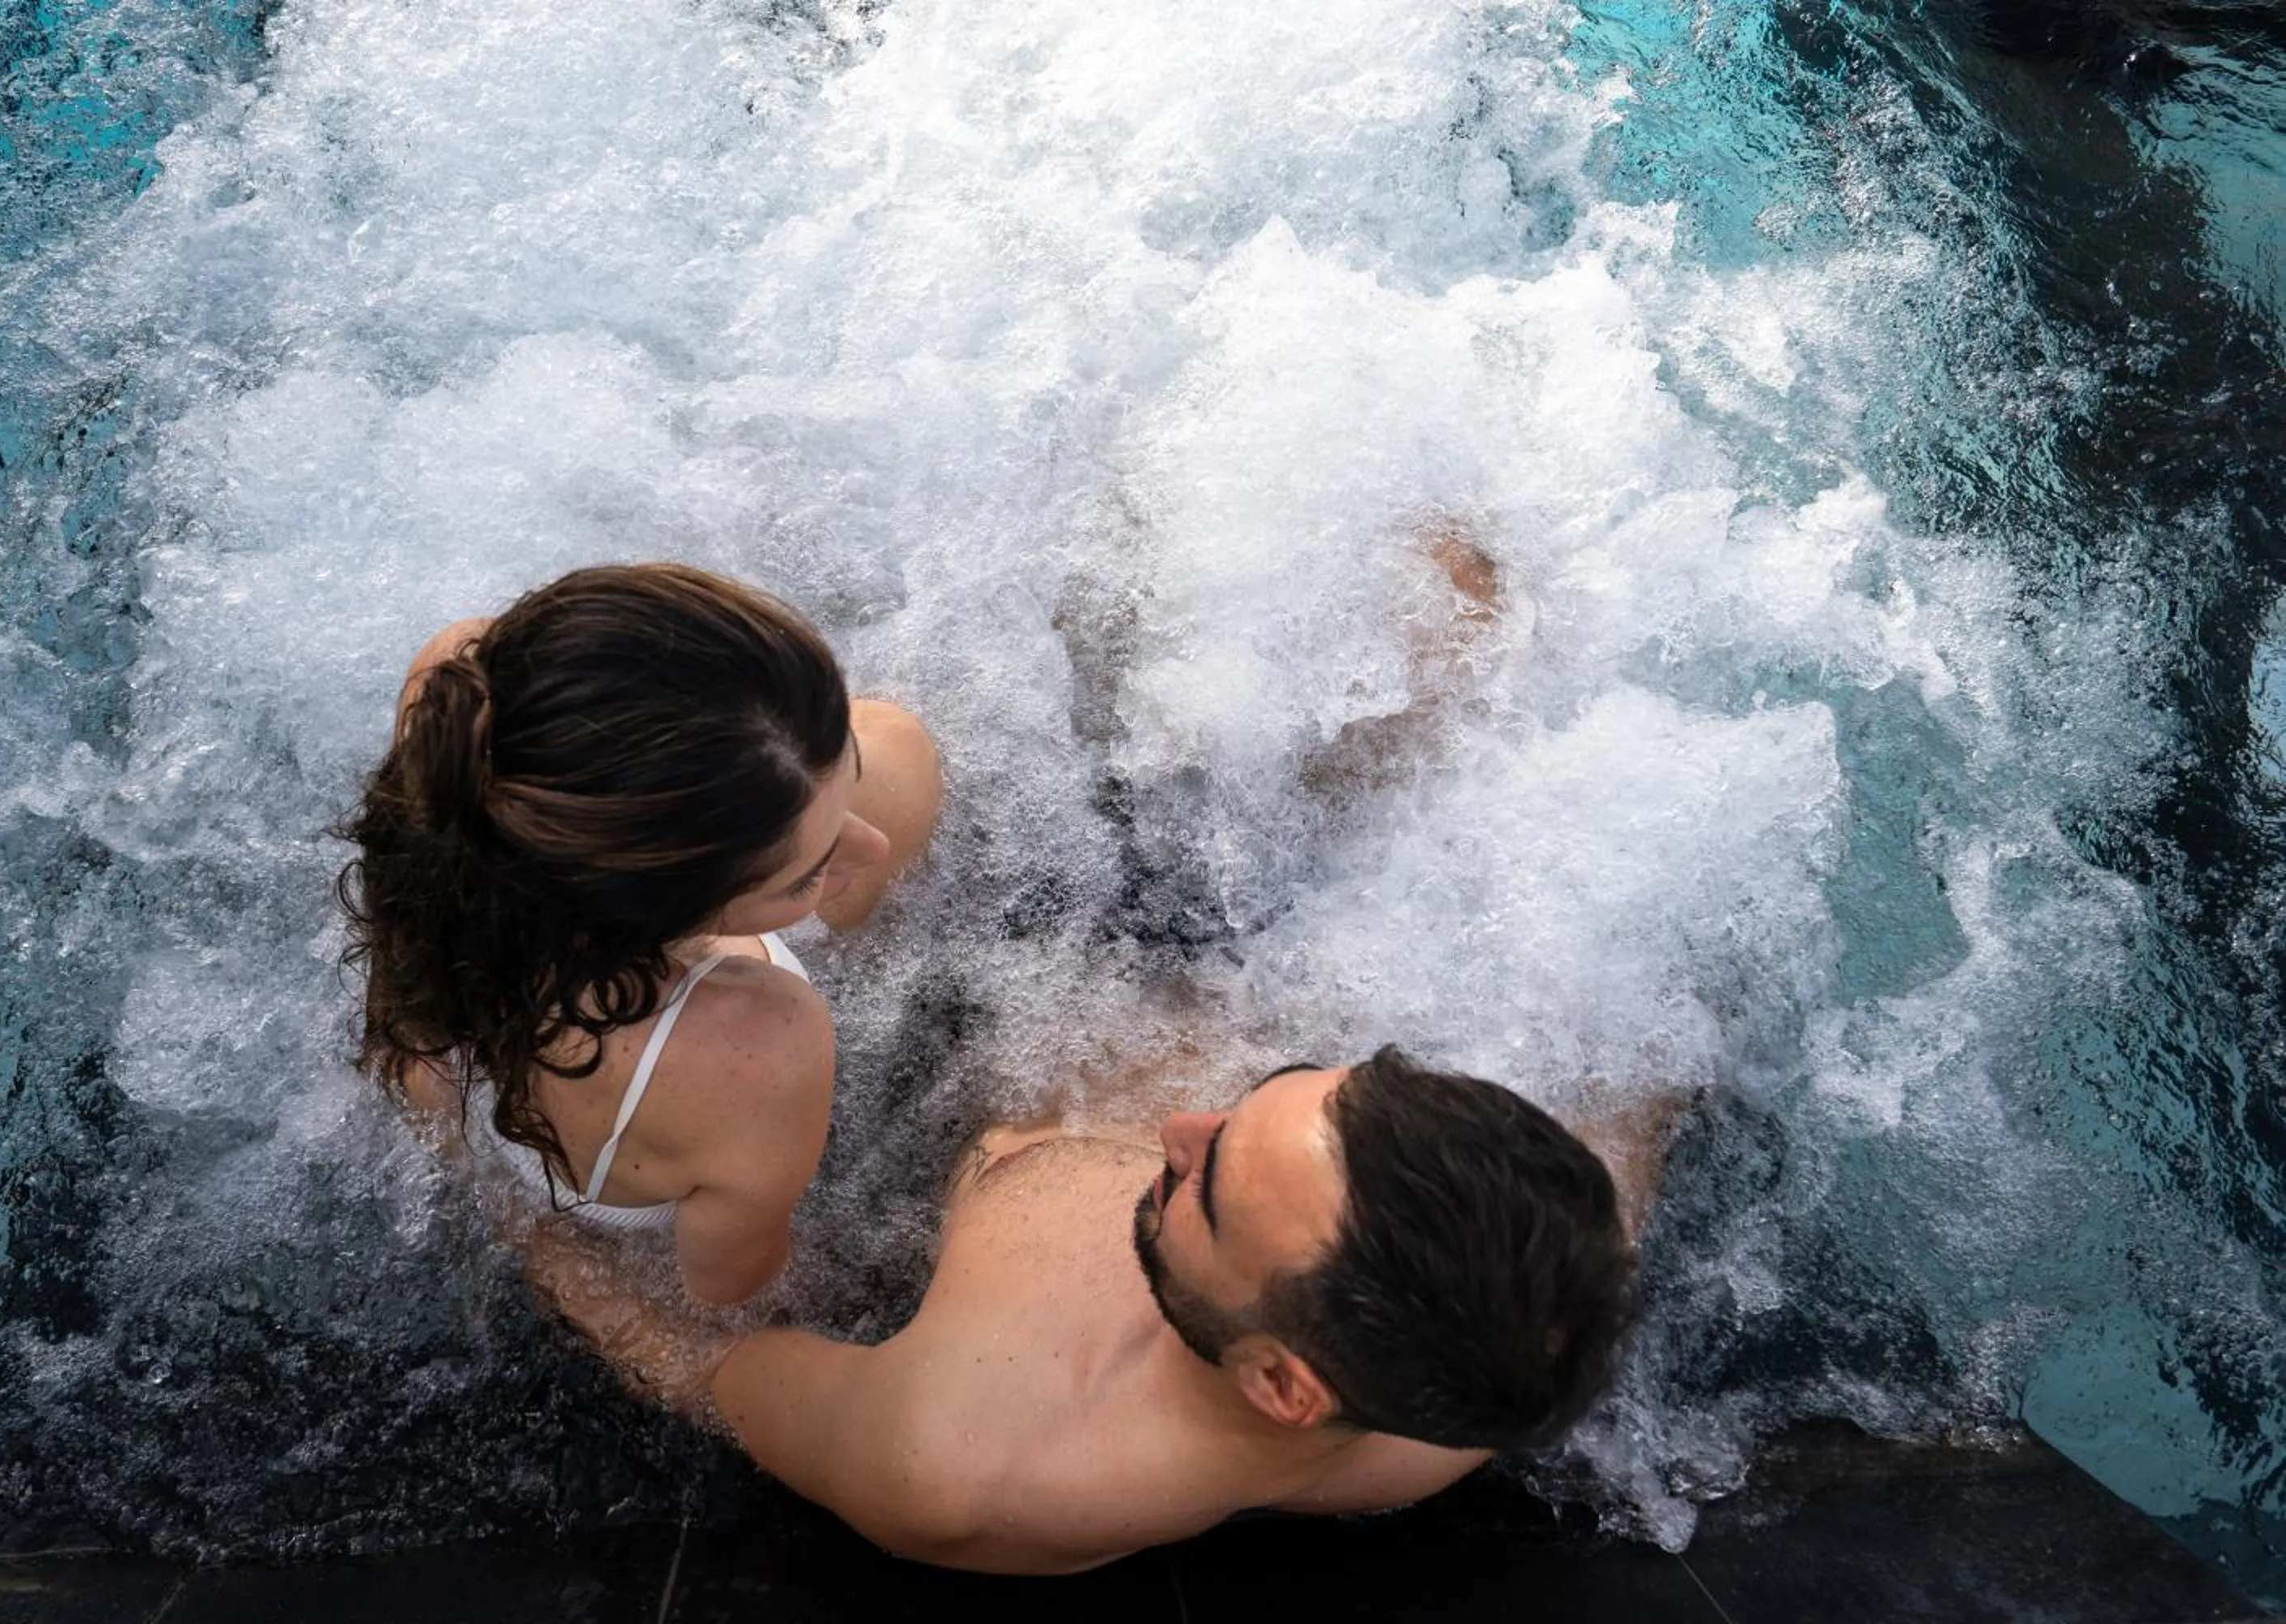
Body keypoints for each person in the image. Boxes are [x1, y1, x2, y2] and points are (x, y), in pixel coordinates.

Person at [540, 1047, 1652, 1574]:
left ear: (1279, 1383)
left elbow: (689, 1351)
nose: (1179, 1125)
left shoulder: (956, 1460)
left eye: (1200, 1188)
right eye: (1296, 1079)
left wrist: (471, 1165)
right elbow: (1645, 1086)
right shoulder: (1535, 1260)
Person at [339, 562, 943, 1305]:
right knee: (902, 757)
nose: (870, 848)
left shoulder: (468, 711)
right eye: (804, 877)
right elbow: (729, 1297)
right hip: (640, 1118)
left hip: (493, 1100)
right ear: (659, 914)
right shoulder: (758, 1053)